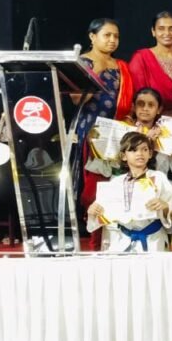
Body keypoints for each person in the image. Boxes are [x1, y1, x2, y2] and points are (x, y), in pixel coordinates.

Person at [73, 18, 134, 214]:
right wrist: (96, 71)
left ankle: (111, 216)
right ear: (92, 37)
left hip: (116, 131)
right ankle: (85, 216)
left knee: (113, 176)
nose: (112, 40)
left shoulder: (121, 66)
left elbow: (127, 99)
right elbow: (77, 99)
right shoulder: (82, 62)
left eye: (116, 36)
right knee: (89, 176)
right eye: (107, 35)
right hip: (90, 129)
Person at [87, 131, 172, 252]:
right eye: (133, 150)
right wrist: (93, 211)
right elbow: (99, 213)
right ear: (124, 156)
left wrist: (165, 206)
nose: (140, 153)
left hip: (153, 239)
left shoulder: (159, 178)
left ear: (150, 154)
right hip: (123, 238)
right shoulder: (116, 182)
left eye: (144, 149)